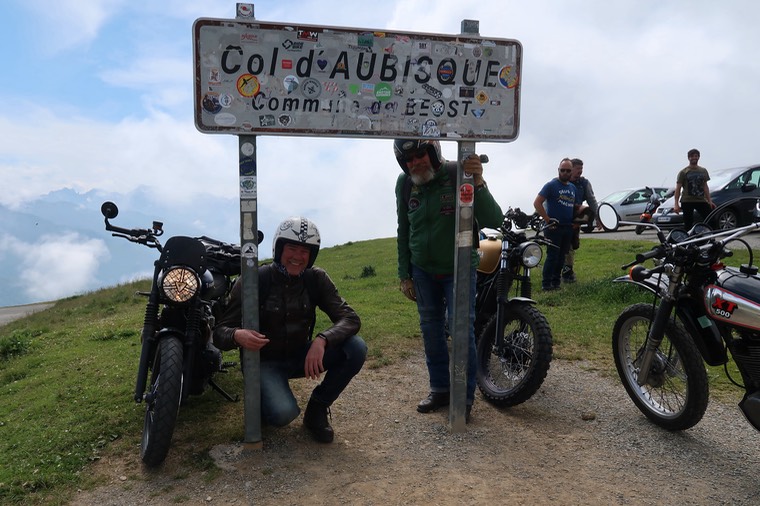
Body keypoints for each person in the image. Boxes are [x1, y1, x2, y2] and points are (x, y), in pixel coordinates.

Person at [213, 217, 367, 443]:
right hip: (263, 362)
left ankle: (317, 409)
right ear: (278, 249)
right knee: (281, 414)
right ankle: (264, 399)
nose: (297, 256)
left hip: (299, 355)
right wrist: (238, 335)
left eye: (305, 251)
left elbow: (350, 318)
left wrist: (322, 340)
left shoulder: (316, 278)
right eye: (291, 248)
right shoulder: (254, 279)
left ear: (312, 255)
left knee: (356, 348)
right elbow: (219, 332)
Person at [394, 138, 503, 423]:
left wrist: (478, 180)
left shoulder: (460, 173)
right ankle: (440, 388)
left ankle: (463, 397)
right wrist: (404, 274)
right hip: (422, 270)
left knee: (461, 330)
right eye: (409, 159)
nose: (416, 162)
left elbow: (494, 218)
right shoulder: (405, 184)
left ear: (433, 152)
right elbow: (403, 230)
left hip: (459, 268)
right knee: (431, 331)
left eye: (421, 155)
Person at [533, 158, 577, 291]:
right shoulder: (551, 185)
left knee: (562, 257)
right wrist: (547, 219)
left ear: (571, 172)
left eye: (567, 170)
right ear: (558, 170)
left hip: (567, 227)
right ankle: (546, 284)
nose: (564, 172)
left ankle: (556, 282)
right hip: (553, 228)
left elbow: (574, 207)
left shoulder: (572, 188)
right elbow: (537, 203)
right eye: (562, 170)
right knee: (552, 256)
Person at [561, 158, 598, 283]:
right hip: (561, 220)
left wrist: (598, 217)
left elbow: (592, 201)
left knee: (572, 246)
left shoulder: (584, 183)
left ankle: (567, 271)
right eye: (578, 169)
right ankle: (564, 273)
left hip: (576, 219)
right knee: (561, 247)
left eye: (581, 169)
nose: (580, 172)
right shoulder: (559, 183)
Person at [673, 148, 715, 230]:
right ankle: (688, 241)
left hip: (701, 200)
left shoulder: (703, 171)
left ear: (699, 157)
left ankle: (708, 237)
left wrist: (709, 200)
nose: (694, 158)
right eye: (692, 156)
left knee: (711, 220)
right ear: (689, 158)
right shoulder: (683, 172)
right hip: (687, 201)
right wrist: (676, 204)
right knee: (688, 223)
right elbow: (678, 188)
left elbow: (705, 186)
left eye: (696, 156)